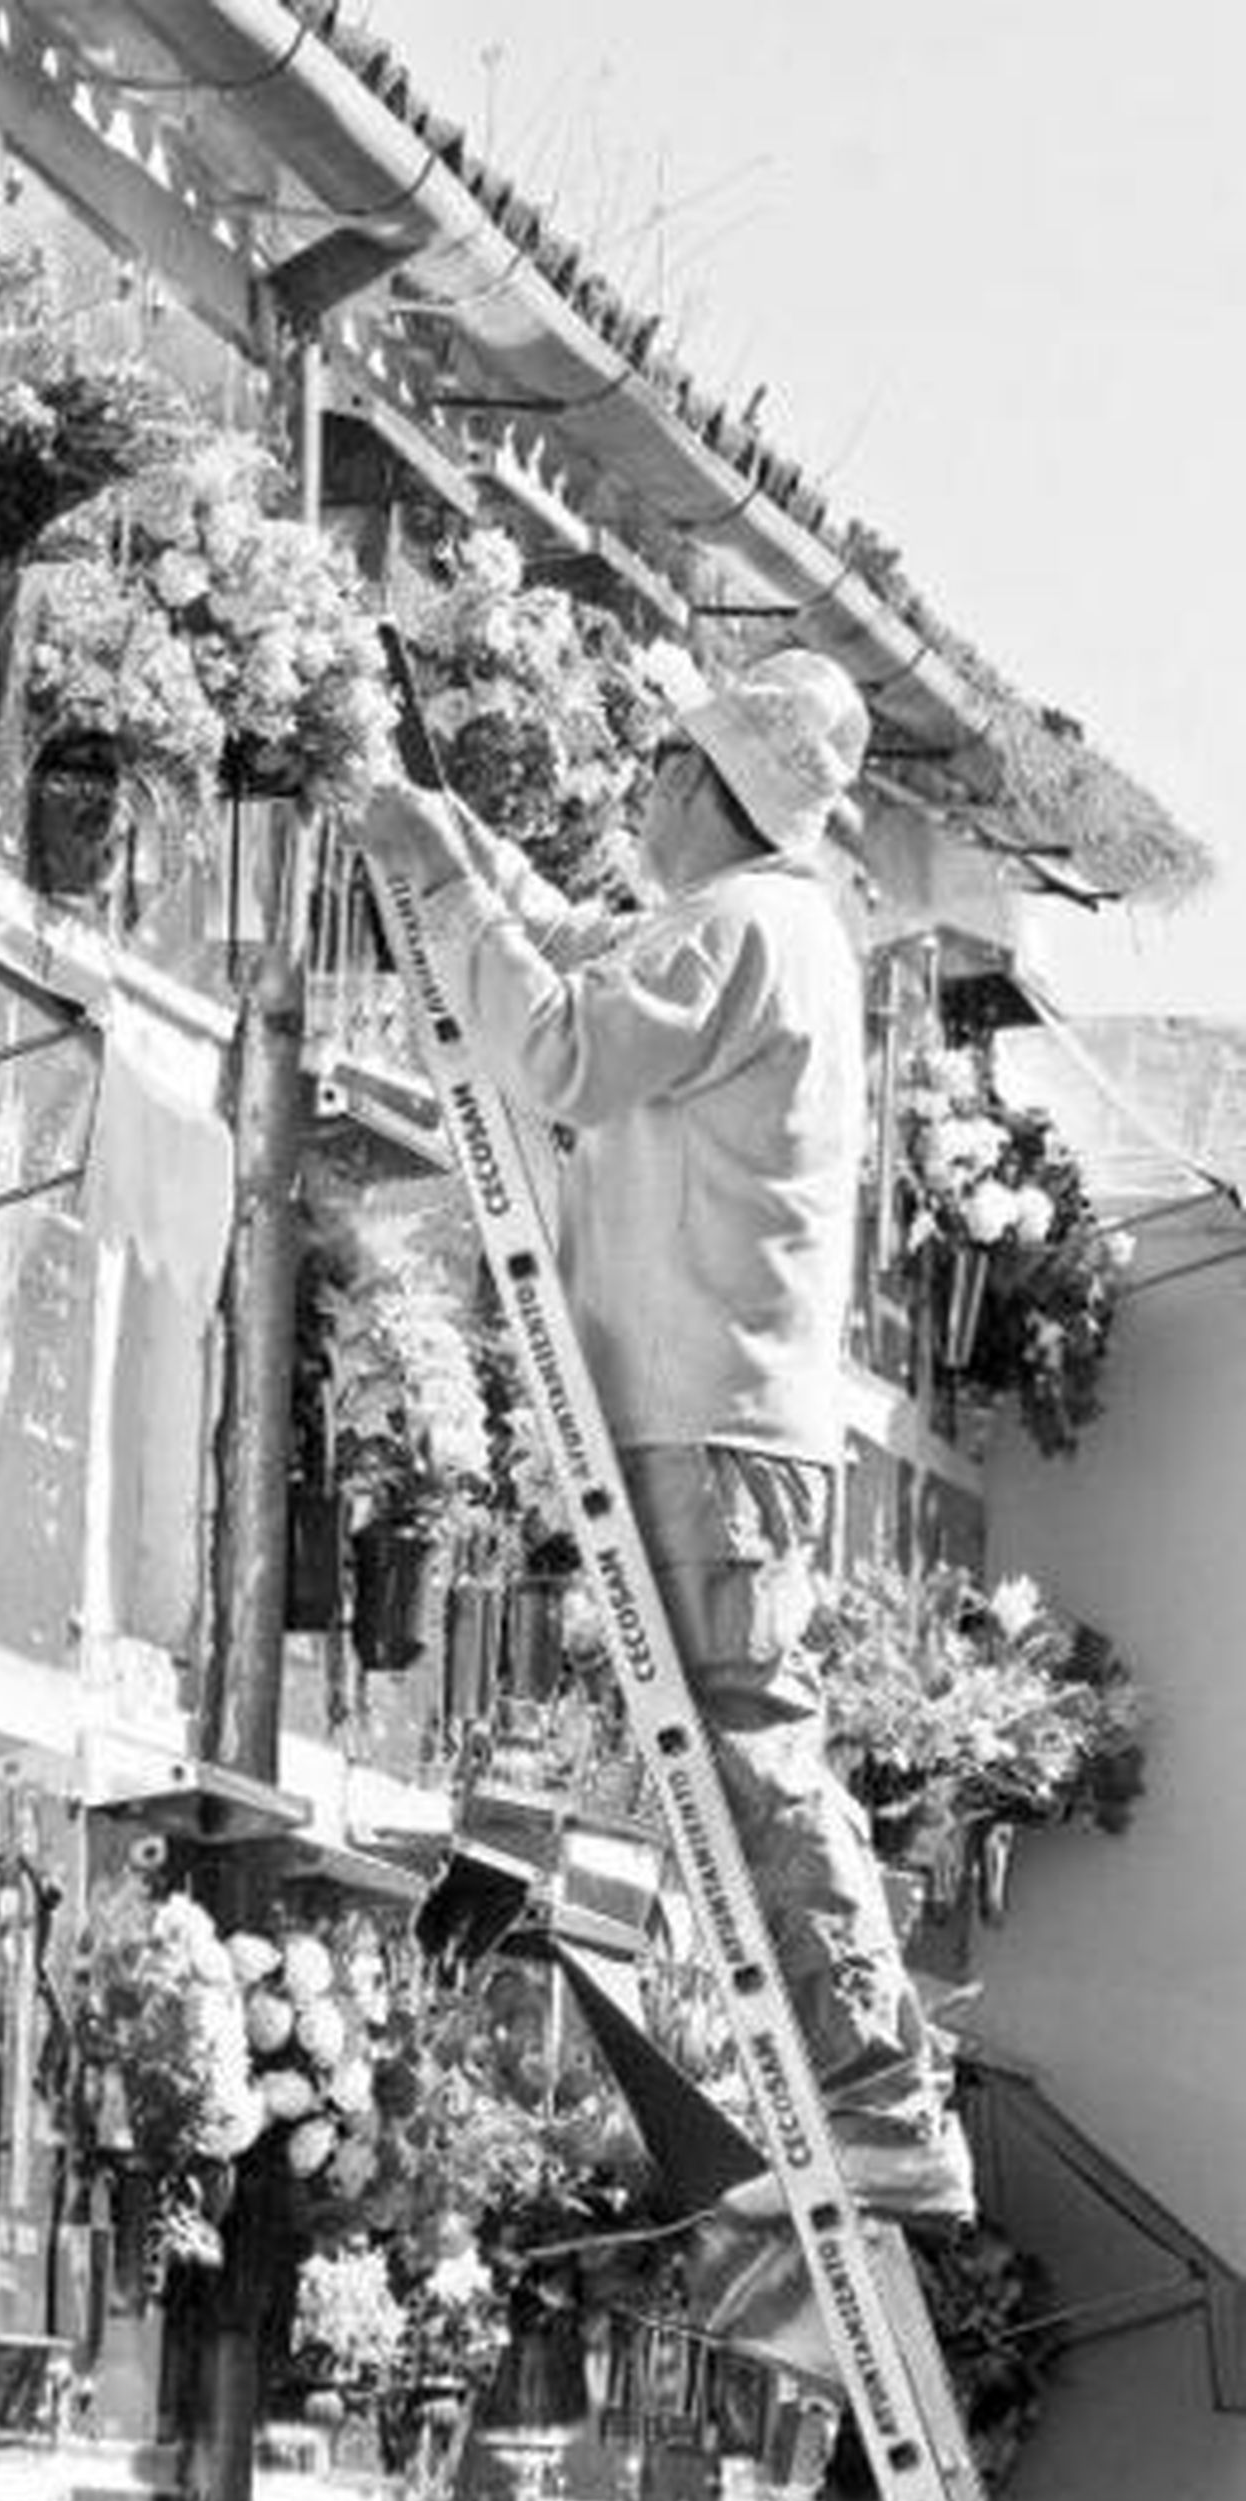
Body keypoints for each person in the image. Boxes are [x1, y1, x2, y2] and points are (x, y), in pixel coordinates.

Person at [359, 646, 973, 2226]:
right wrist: (457, 854)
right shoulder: (755, 930)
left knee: (755, 1760)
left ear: (714, 790)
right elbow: (581, 952)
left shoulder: (756, 930)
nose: (639, 786)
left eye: (660, 764)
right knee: (739, 1754)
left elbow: (562, 1048)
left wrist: (445, 898)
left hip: (712, 1425)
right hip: (718, 1419)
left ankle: (884, 2100)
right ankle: (864, 2095)